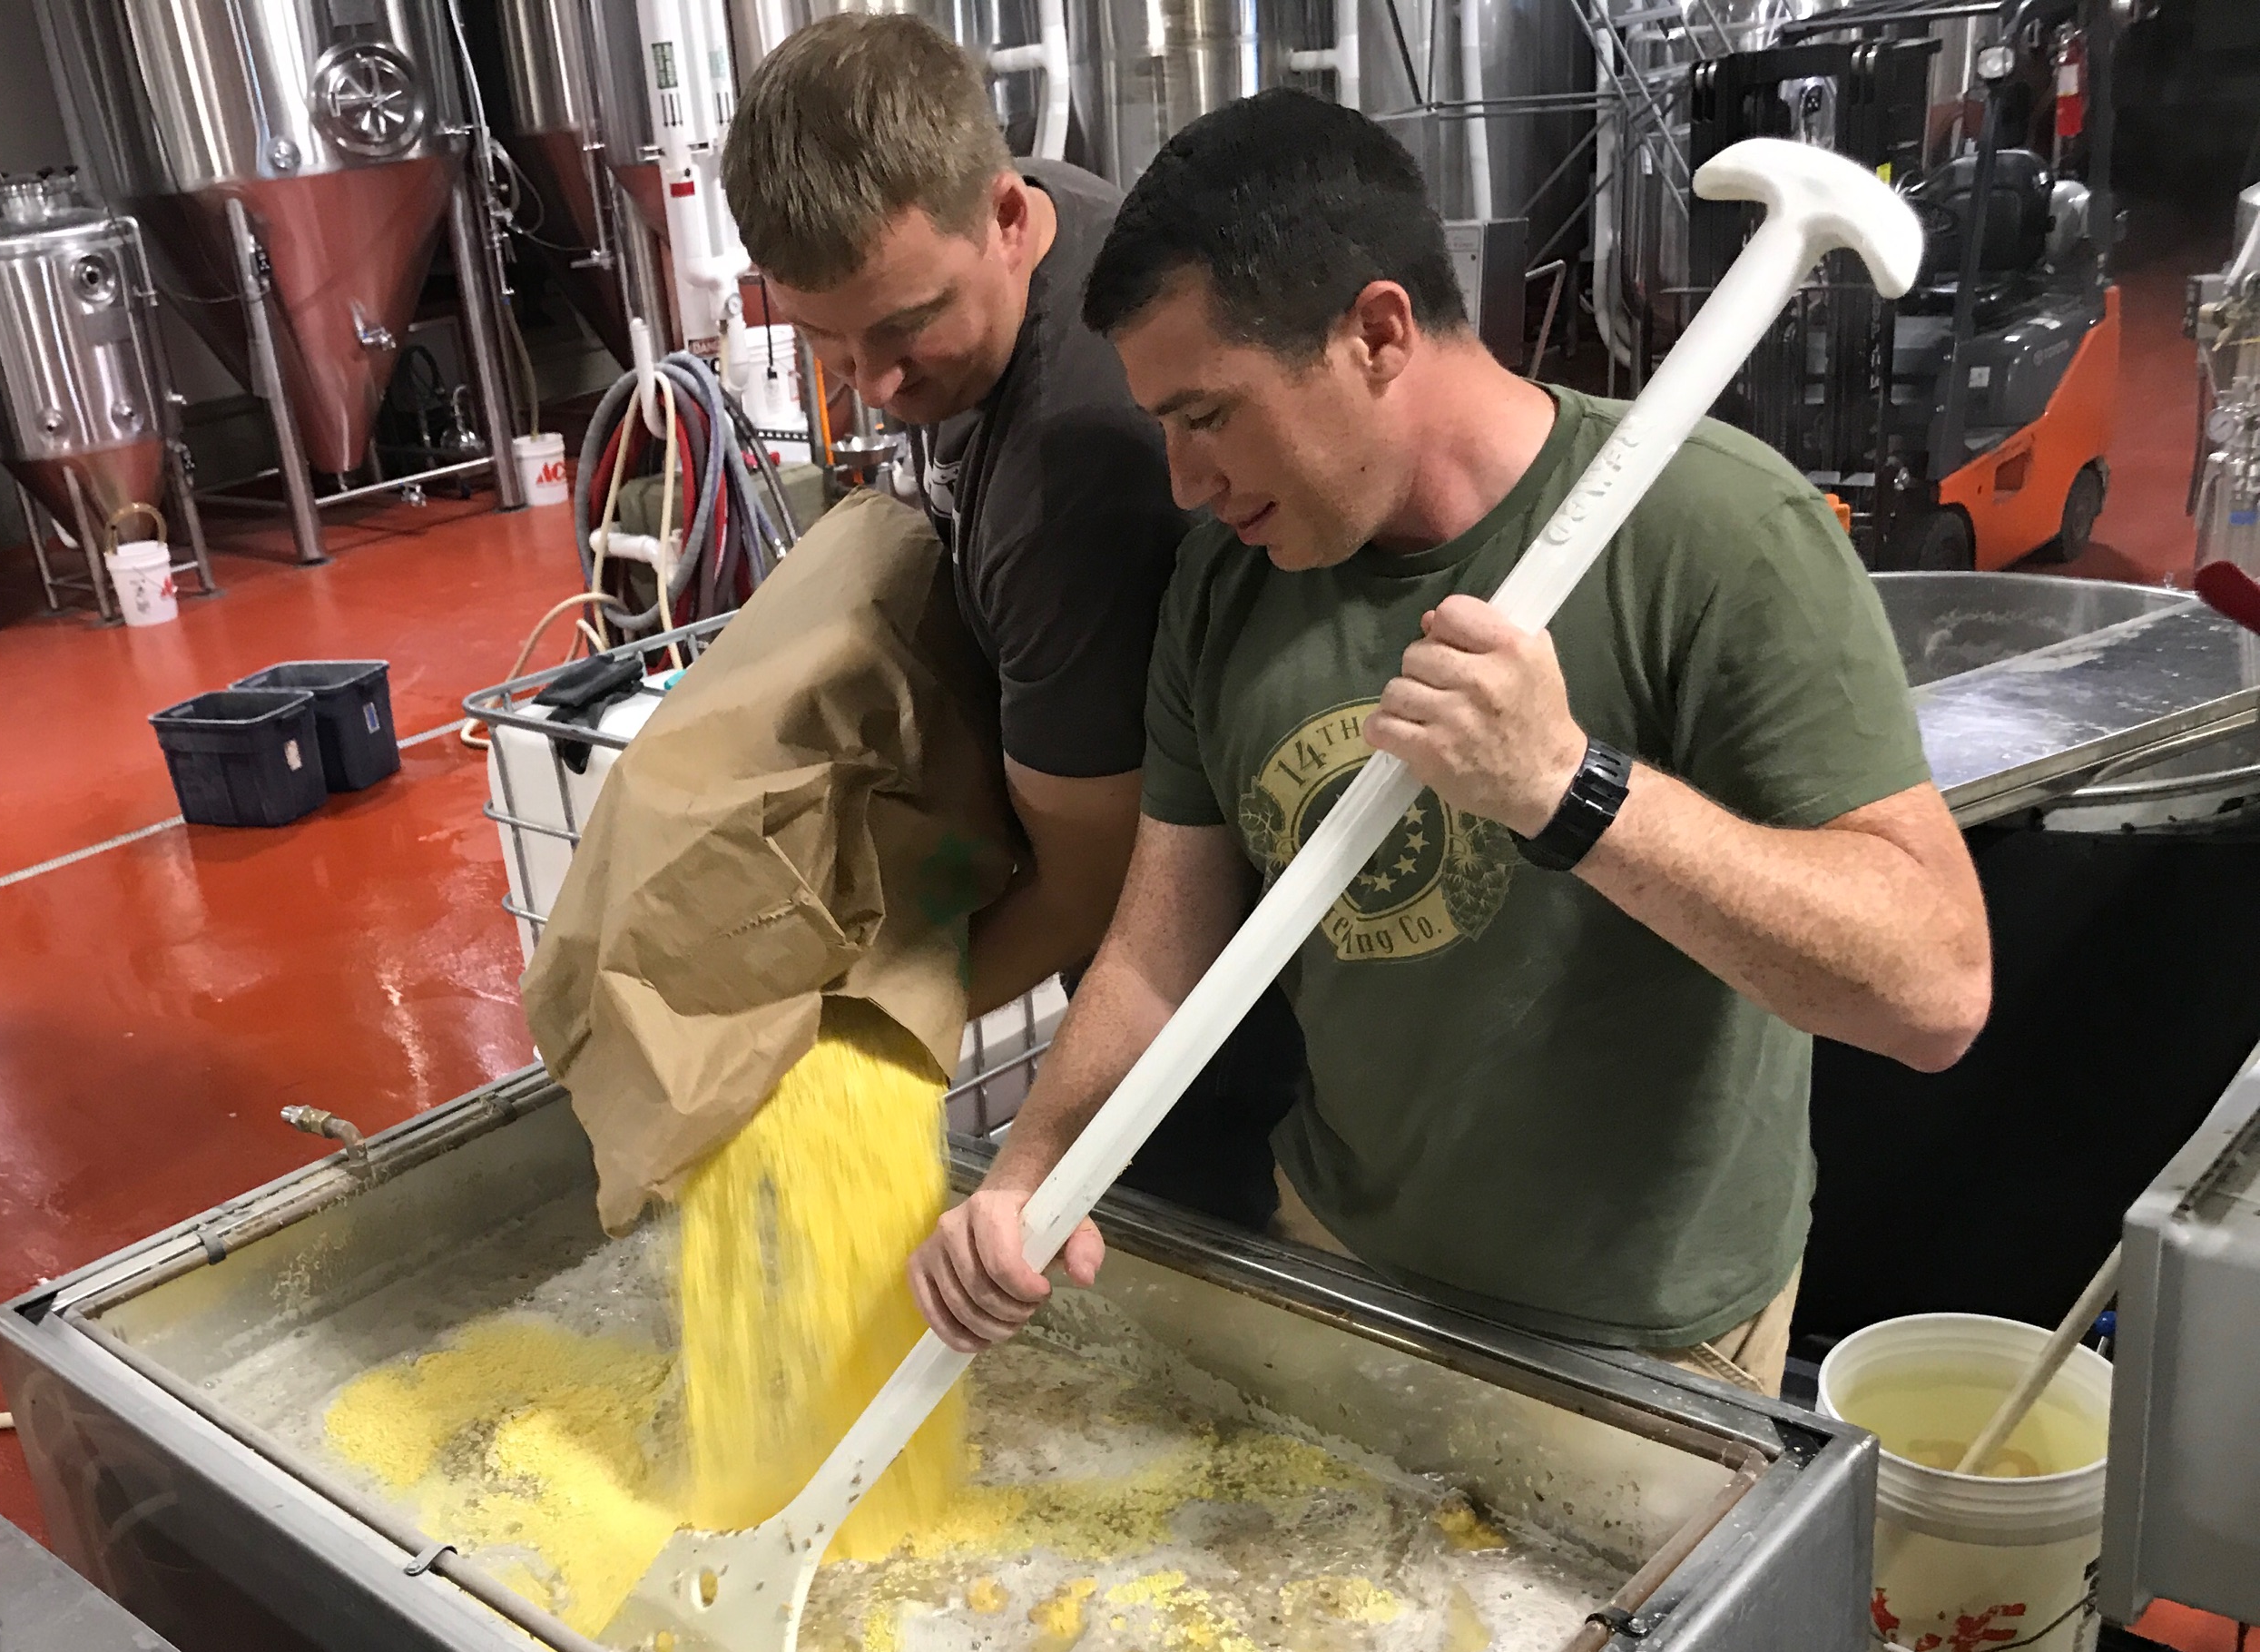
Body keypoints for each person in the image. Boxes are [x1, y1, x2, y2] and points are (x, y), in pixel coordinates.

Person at [907, 93, 1994, 1392]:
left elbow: (1935, 989)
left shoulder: (1721, 537)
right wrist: (1025, 1175)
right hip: (1338, 1262)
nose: (1184, 482)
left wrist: (1569, 791)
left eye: (1208, 416)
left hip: (1648, 1345)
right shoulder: (1229, 581)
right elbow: (1159, 943)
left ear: (1376, 332)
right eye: (1164, 429)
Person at [720, 15, 1300, 1228]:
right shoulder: (1051, 210)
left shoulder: (1070, 474)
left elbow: (1098, 889)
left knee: (1198, 1251)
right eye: (822, 335)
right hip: (1150, 840)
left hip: (1226, 979)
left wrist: (850, 1052)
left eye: (904, 326)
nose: (871, 382)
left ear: (998, 213)